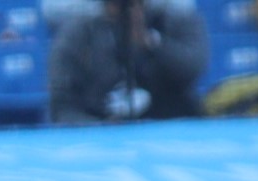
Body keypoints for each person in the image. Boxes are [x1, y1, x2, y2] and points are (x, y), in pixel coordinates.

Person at [48, 0, 208, 124]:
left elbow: (192, 69)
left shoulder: (173, 19)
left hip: (167, 130)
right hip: (98, 137)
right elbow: (61, 106)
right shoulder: (79, 32)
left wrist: (150, 42)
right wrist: (98, 128)